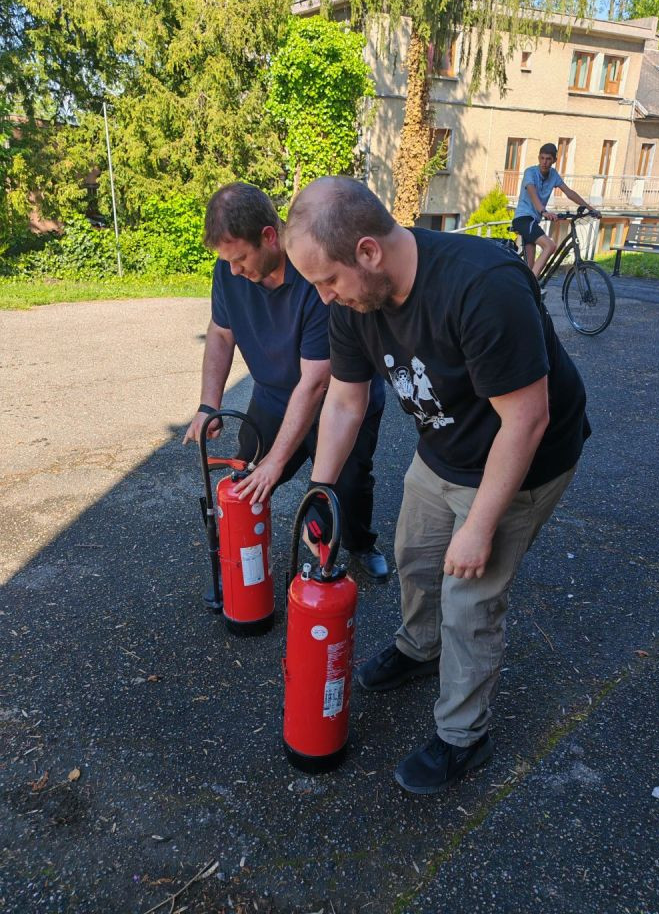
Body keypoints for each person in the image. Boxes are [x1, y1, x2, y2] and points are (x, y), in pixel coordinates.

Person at [285, 176, 591, 795]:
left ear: (368, 252)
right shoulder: (352, 302)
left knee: (469, 600)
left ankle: (463, 736)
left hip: (522, 456)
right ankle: (419, 650)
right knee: (415, 558)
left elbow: (527, 419)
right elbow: (344, 402)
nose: (323, 299)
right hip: (444, 448)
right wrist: (321, 491)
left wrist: (479, 527)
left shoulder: (482, 286)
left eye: (328, 281)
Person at [183, 182, 388, 582]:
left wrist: (277, 463)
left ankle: (361, 545)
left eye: (240, 257)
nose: (233, 269)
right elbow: (221, 333)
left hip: (340, 401)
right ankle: (241, 558)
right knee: (247, 478)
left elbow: (315, 382)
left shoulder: (314, 273)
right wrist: (209, 404)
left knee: (346, 488)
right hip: (274, 397)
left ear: (269, 236)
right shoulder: (229, 274)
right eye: (227, 260)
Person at [512, 142, 600, 278]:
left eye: (548, 159)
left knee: (530, 268)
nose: (544, 162)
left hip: (534, 221)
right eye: (542, 158)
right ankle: (532, 285)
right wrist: (543, 211)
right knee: (550, 246)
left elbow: (569, 192)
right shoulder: (530, 172)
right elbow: (532, 192)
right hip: (523, 219)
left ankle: (526, 291)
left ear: (554, 160)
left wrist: (590, 209)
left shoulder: (553, 175)